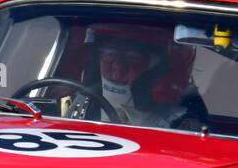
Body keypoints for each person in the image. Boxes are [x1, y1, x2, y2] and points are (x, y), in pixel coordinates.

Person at [79, 23, 209, 130]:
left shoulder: (185, 116)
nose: (118, 68)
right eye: (109, 57)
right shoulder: (85, 98)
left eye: (133, 59)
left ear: (159, 67)